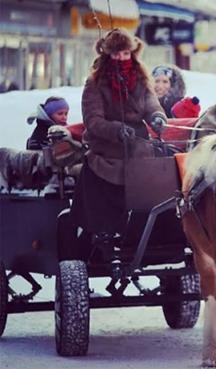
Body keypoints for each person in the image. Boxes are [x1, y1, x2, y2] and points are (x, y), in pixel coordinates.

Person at [70, 28, 167, 251]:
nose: (121, 59)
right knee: (103, 180)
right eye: (116, 54)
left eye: (125, 54)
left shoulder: (142, 80)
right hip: (106, 149)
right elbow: (93, 120)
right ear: (107, 55)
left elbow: (152, 106)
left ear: (132, 53)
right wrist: (116, 130)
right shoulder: (94, 83)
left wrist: (158, 118)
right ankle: (104, 233)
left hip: (139, 148)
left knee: (160, 178)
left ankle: (153, 231)